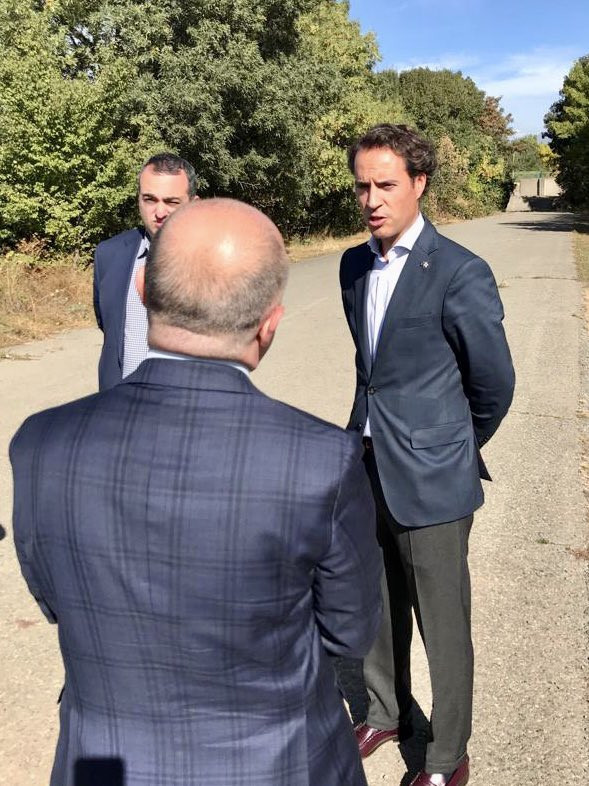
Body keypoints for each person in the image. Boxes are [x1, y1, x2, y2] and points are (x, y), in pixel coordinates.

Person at [11, 198, 383, 786]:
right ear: (269, 325)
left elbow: (54, 599)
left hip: (107, 762)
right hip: (280, 765)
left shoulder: (42, 443)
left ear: (141, 289)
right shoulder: (323, 460)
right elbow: (348, 631)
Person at [338, 124, 515, 786]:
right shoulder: (352, 266)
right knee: (376, 604)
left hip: (433, 477)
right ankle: (384, 712)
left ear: (418, 183)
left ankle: (447, 755)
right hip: (366, 465)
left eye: (386, 185)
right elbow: (371, 371)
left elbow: (493, 383)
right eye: (362, 186)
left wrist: (450, 446)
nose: (372, 199)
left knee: (442, 624)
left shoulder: (460, 271)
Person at [93, 152, 198, 391]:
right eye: (150, 199)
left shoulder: (216, 260)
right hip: (119, 403)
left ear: (193, 204)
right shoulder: (109, 254)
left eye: (172, 202)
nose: (159, 212)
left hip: (185, 405)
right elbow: (107, 324)